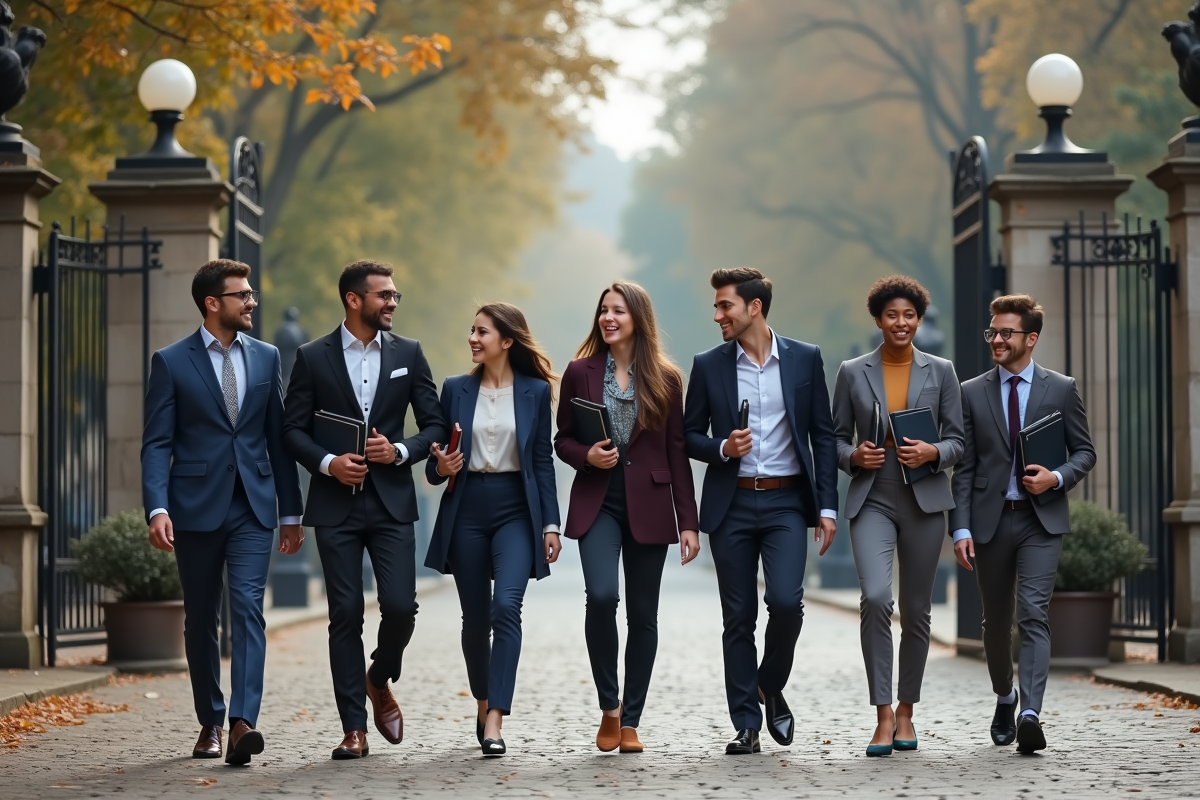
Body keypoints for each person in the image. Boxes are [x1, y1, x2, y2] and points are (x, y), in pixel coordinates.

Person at [141, 259, 304, 765]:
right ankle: (210, 719)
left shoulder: (267, 356)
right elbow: (156, 443)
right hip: (194, 508)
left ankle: (241, 723)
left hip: (253, 507)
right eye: (242, 295)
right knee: (201, 619)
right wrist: (157, 506)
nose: (252, 301)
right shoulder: (171, 361)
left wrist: (291, 512)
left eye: (251, 293)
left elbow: (276, 438)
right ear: (213, 304)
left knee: (249, 609)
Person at [282, 260, 447, 760]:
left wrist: (398, 451)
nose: (393, 303)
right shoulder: (312, 357)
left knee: (400, 607)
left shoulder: (410, 354)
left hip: (393, 502)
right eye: (384, 295)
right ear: (354, 299)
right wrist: (329, 464)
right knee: (344, 615)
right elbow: (291, 430)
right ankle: (353, 728)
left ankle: (379, 677)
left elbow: (435, 424)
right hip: (334, 506)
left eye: (395, 295)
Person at [683, 267, 838, 755]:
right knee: (738, 617)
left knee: (788, 604)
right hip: (732, 504)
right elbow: (687, 436)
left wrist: (828, 506)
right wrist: (723, 447)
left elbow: (823, 435)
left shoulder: (804, 359)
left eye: (724, 305)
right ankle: (747, 724)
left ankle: (769, 684)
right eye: (715, 306)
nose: (716, 315)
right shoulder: (708, 365)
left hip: (786, 501)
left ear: (754, 307)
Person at [555, 281, 701, 755]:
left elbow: (677, 453)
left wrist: (689, 522)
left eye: (618, 310)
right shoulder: (579, 372)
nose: (608, 318)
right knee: (600, 596)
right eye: (603, 310)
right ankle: (609, 706)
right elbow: (561, 440)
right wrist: (586, 457)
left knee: (643, 615)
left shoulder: (666, 378)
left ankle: (632, 720)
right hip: (599, 499)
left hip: (652, 503)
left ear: (638, 317)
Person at [951, 294, 1095, 754]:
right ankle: (1005, 695)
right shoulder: (972, 391)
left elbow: (1085, 452)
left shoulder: (1061, 388)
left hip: (1041, 521)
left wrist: (1057, 477)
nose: (996, 338)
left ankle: (1030, 713)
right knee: (994, 624)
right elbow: (966, 468)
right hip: (991, 523)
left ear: (1030, 339)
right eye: (992, 331)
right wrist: (962, 528)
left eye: (1005, 332)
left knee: (1033, 614)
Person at [831, 276, 964, 756]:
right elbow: (834, 439)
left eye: (909, 316)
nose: (901, 323)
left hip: (925, 499)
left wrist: (934, 451)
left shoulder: (942, 371)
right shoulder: (852, 371)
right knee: (875, 597)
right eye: (892, 315)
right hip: (874, 497)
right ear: (878, 320)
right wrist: (853, 458)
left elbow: (959, 440)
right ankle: (882, 714)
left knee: (918, 610)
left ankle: (907, 711)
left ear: (919, 320)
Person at [424, 303, 562, 757]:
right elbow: (435, 461)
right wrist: (440, 464)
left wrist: (550, 523)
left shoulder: (535, 392)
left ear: (507, 341)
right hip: (466, 509)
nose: (473, 338)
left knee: (507, 607)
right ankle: (483, 703)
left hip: (515, 511)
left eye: (482, 332)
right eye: (471, 330)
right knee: (476, 619)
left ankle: (497, 717)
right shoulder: (455, 389)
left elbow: (541, 460)